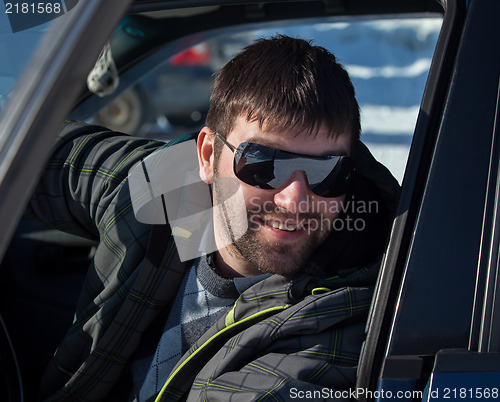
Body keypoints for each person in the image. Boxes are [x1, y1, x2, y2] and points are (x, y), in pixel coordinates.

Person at [28, 35, 400, 401]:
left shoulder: (337, 320)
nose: (295, 200)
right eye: (264, 164)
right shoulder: (158, 188)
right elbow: (25, 153)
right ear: (207, 155)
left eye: (328, 172)